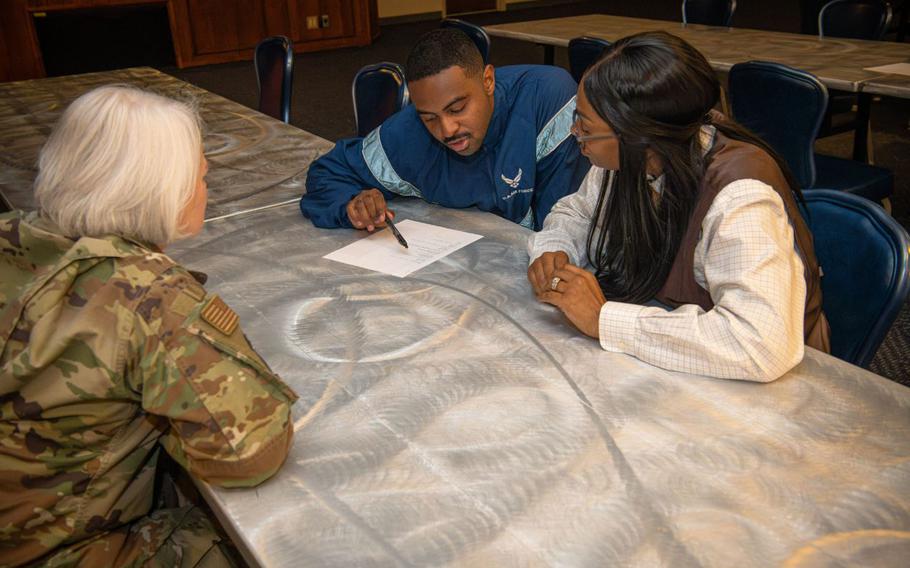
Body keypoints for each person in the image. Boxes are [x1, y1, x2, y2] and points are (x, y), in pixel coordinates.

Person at [0, 86, 297, 566]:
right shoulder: (149, 296)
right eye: (200, 175)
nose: (207, 187)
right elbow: (249, 452)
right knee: (265, 540)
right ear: (166, 191)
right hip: (54, 550)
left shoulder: (11, 233)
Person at [527, 31, 831, 382]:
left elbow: (761, 344)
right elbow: (578, 212)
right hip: (678, 360)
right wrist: (555, 248)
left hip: (765, 388)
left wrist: (603, 319)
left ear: (639, 135)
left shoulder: (740, 197)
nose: (574, 133)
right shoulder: (633, 158)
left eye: (585, 125)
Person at [300, 28, 590, 232]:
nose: (447, 130)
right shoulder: (409, 131)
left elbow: (565, 228)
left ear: (488, 80)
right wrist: (351, 204)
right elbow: (328, 172)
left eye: (457, 109)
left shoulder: (549, 102)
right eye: (429, 117)